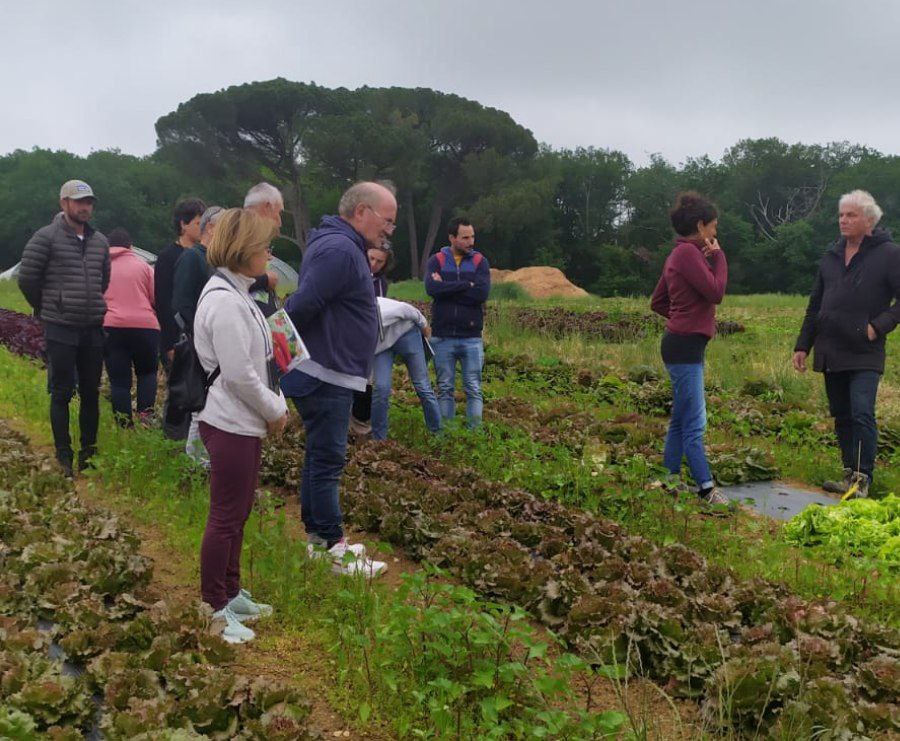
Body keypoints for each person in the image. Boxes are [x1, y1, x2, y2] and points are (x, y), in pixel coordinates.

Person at [281, 181, 395, 577]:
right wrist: (278, 346)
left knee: (319, 456)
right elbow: (303, 304)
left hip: (329, 370)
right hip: (326, 372)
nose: (388, 231)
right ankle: (334, 549)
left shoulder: (340, 244)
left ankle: (318, 540)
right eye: (387, 221)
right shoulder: (340, 249)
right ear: (361, 211)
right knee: (328, 460)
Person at [193, 207, 289, 644]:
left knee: (239, 513)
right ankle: (212, 608)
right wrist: (275, 410)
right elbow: (239, 375)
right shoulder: (225, 302)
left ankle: (231, 593)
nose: (269, 254)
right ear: (244, 249)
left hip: (243, 422)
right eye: (265, 246)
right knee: (226, 517)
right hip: (230, 421)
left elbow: (261, 362)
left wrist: (272, 404)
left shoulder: (239, 294)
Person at [793, 190, 900, 498]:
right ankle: (848, 475)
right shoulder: (831, 256)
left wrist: (877, 326)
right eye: (841, 214)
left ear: (869, 220)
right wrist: (803, 346)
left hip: (865, 349)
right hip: (831, 347)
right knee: (841, 414)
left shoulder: (889, 253)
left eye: (851, 215)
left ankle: (863, 479)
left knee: (861, 411)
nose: (843, 220)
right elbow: (815, 306)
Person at [18, 180, 110, 477]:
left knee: (91, 392)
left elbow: (102, 281)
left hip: (92, 327)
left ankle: (89, 453)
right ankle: (63, 454)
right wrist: (49, 307)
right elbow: (28, 279)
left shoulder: (100, 242)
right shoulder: (45, 238)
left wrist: (91, 303)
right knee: (61, 392)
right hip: (61, 327)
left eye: (89, 202)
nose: (85, 207)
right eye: (79, 201)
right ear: (64, 203)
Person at [650, 192, 729, 506]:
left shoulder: (681, 255)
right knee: (695, 420)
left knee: (682, 419)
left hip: (682, 343)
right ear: (700, 225)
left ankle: (669, 478)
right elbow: (716, 291)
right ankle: (707, 489)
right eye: (713, 227)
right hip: (684, 347)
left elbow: (658, 301)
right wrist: (719, 258)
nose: (715, 234)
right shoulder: (687, 255)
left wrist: (683, 317)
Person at [424, 217, 491, 429]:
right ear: (452, 238)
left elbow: (480, 294)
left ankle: (474, 434)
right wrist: (465, 285)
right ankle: (448, 434)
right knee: (445, 388)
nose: (471, 241)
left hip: (471, 337)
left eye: (472, 236)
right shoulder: (436, 260)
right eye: (465, 237)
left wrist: (448, 288)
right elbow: (432, 289)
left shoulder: (481, 262)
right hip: (442, 336)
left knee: (473, 388)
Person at [173, 205, 223, 465]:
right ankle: (195, 462)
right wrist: (198, 337)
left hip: (215, 343)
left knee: (211, 400)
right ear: (211, 227)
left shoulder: (216, 260)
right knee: (199, 402)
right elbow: (181, 305)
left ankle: (204, 459)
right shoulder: (193, 258)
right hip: (200, 344)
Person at [102, 228, 160, 427]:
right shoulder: (143, 266)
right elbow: (155, 298)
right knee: (147, 373)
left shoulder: (101, 267)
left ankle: (124, 425)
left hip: (112, 327)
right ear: (130, 246)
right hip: (145, 327)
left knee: (119, 381)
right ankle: (145, 416)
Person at [371, 296, 441, 440]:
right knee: (381, 388)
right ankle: (379, 441)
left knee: (422, 385)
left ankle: (437, 434)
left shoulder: (382, 311)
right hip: (382, 346)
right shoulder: (349, 326)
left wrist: (425, 327)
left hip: (406, 333)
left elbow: (408, 309)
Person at [350, 242, 395, 437]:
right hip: (347, 336)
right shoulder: (352, 273)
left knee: (365, 385)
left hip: (369, 339)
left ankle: (360, 429)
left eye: (380, 261)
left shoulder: (381, 284)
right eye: (371, 259)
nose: (374, 264)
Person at [155, 198, 205, 367]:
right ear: (183, 224)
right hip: (179, 337)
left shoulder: (206, 256)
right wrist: (169, 344)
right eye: (199, 223)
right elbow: (163, 301)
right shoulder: (168, 257)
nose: (203, 228)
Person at [243, 182, 284, 316]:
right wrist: (264, 280)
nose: (280, 222)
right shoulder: (238, 235)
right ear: (267, 207)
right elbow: (228, 277)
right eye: (279, 213)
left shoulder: (252, 234)